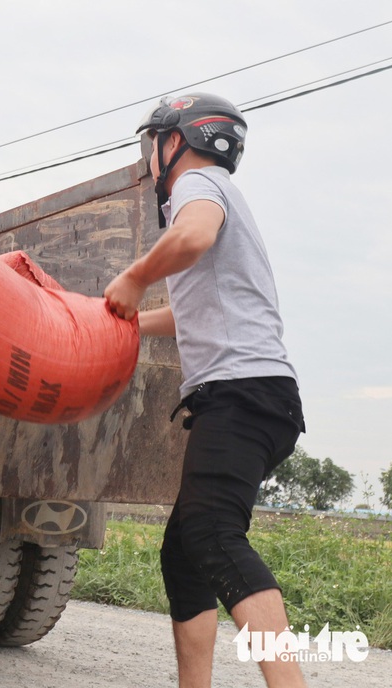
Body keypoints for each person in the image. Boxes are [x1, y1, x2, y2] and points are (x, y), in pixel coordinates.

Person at [104, 93, 307, 688]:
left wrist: (136, 276)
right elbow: (193, 307)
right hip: (254, 395)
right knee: (186, 550)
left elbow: (191, 239)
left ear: (177, 143)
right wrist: (123, 321)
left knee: (213, 533)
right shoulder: (222, 195)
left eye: (154, 144)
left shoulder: (198, 187)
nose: (151, 159)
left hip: (243, 392)